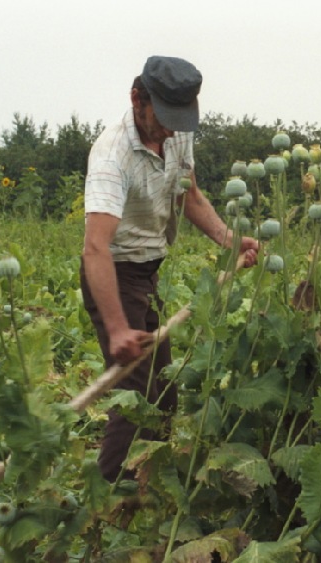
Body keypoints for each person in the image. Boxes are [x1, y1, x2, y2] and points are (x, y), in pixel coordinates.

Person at [80, 55, 258, 482]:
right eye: (163, 118)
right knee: (134, 393)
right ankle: (109, 493)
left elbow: (188, 194)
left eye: (179, 119)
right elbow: (95, 248)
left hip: (148, 270)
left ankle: (151, 478)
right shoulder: (111, 157)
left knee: (163, 389)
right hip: (115, 275)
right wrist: (119, 327)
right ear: (137, 98)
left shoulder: (176, 136)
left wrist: (228, 239)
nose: (170, 129)